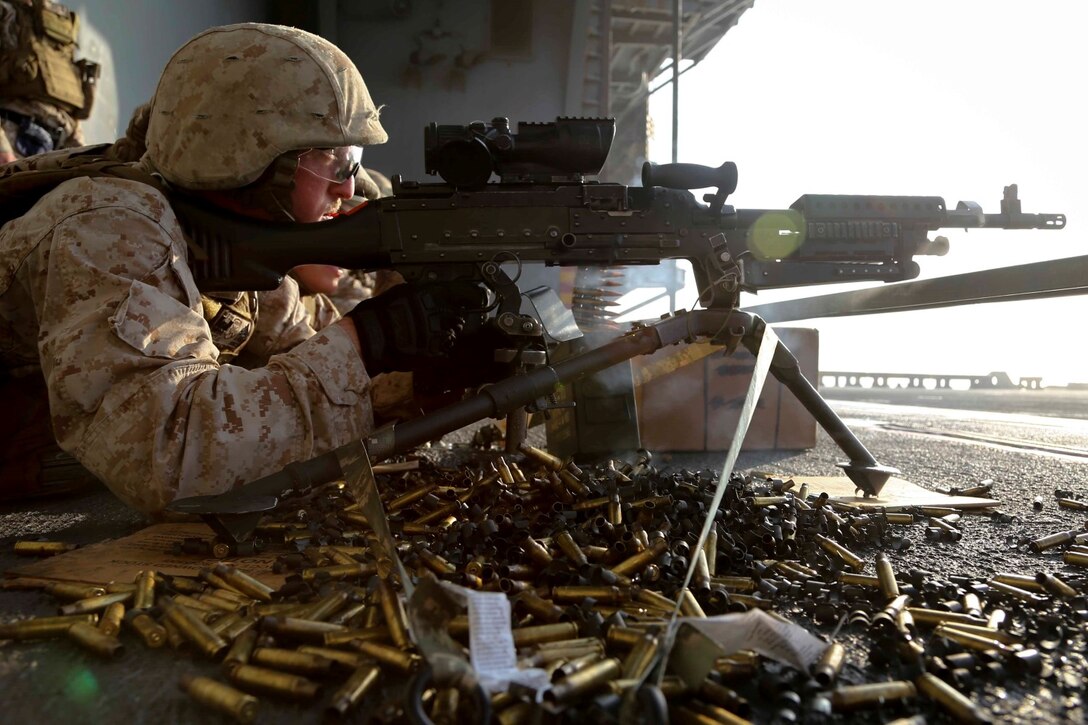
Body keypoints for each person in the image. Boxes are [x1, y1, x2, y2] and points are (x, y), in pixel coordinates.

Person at [0, 23, 474, 513]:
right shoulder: (110, 226)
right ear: (257, 156)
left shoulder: (231, 245)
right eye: (339, 164)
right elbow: (167, 453)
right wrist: (367, 338)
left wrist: (421, 378)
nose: (349, 190)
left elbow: (304, 356)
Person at [0, 0, 98, 163]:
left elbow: (66, 89)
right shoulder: (5, 13)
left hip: (61, 144)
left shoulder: (58, 21)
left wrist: (80, 152)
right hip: (12, 136)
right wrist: (3, 149)